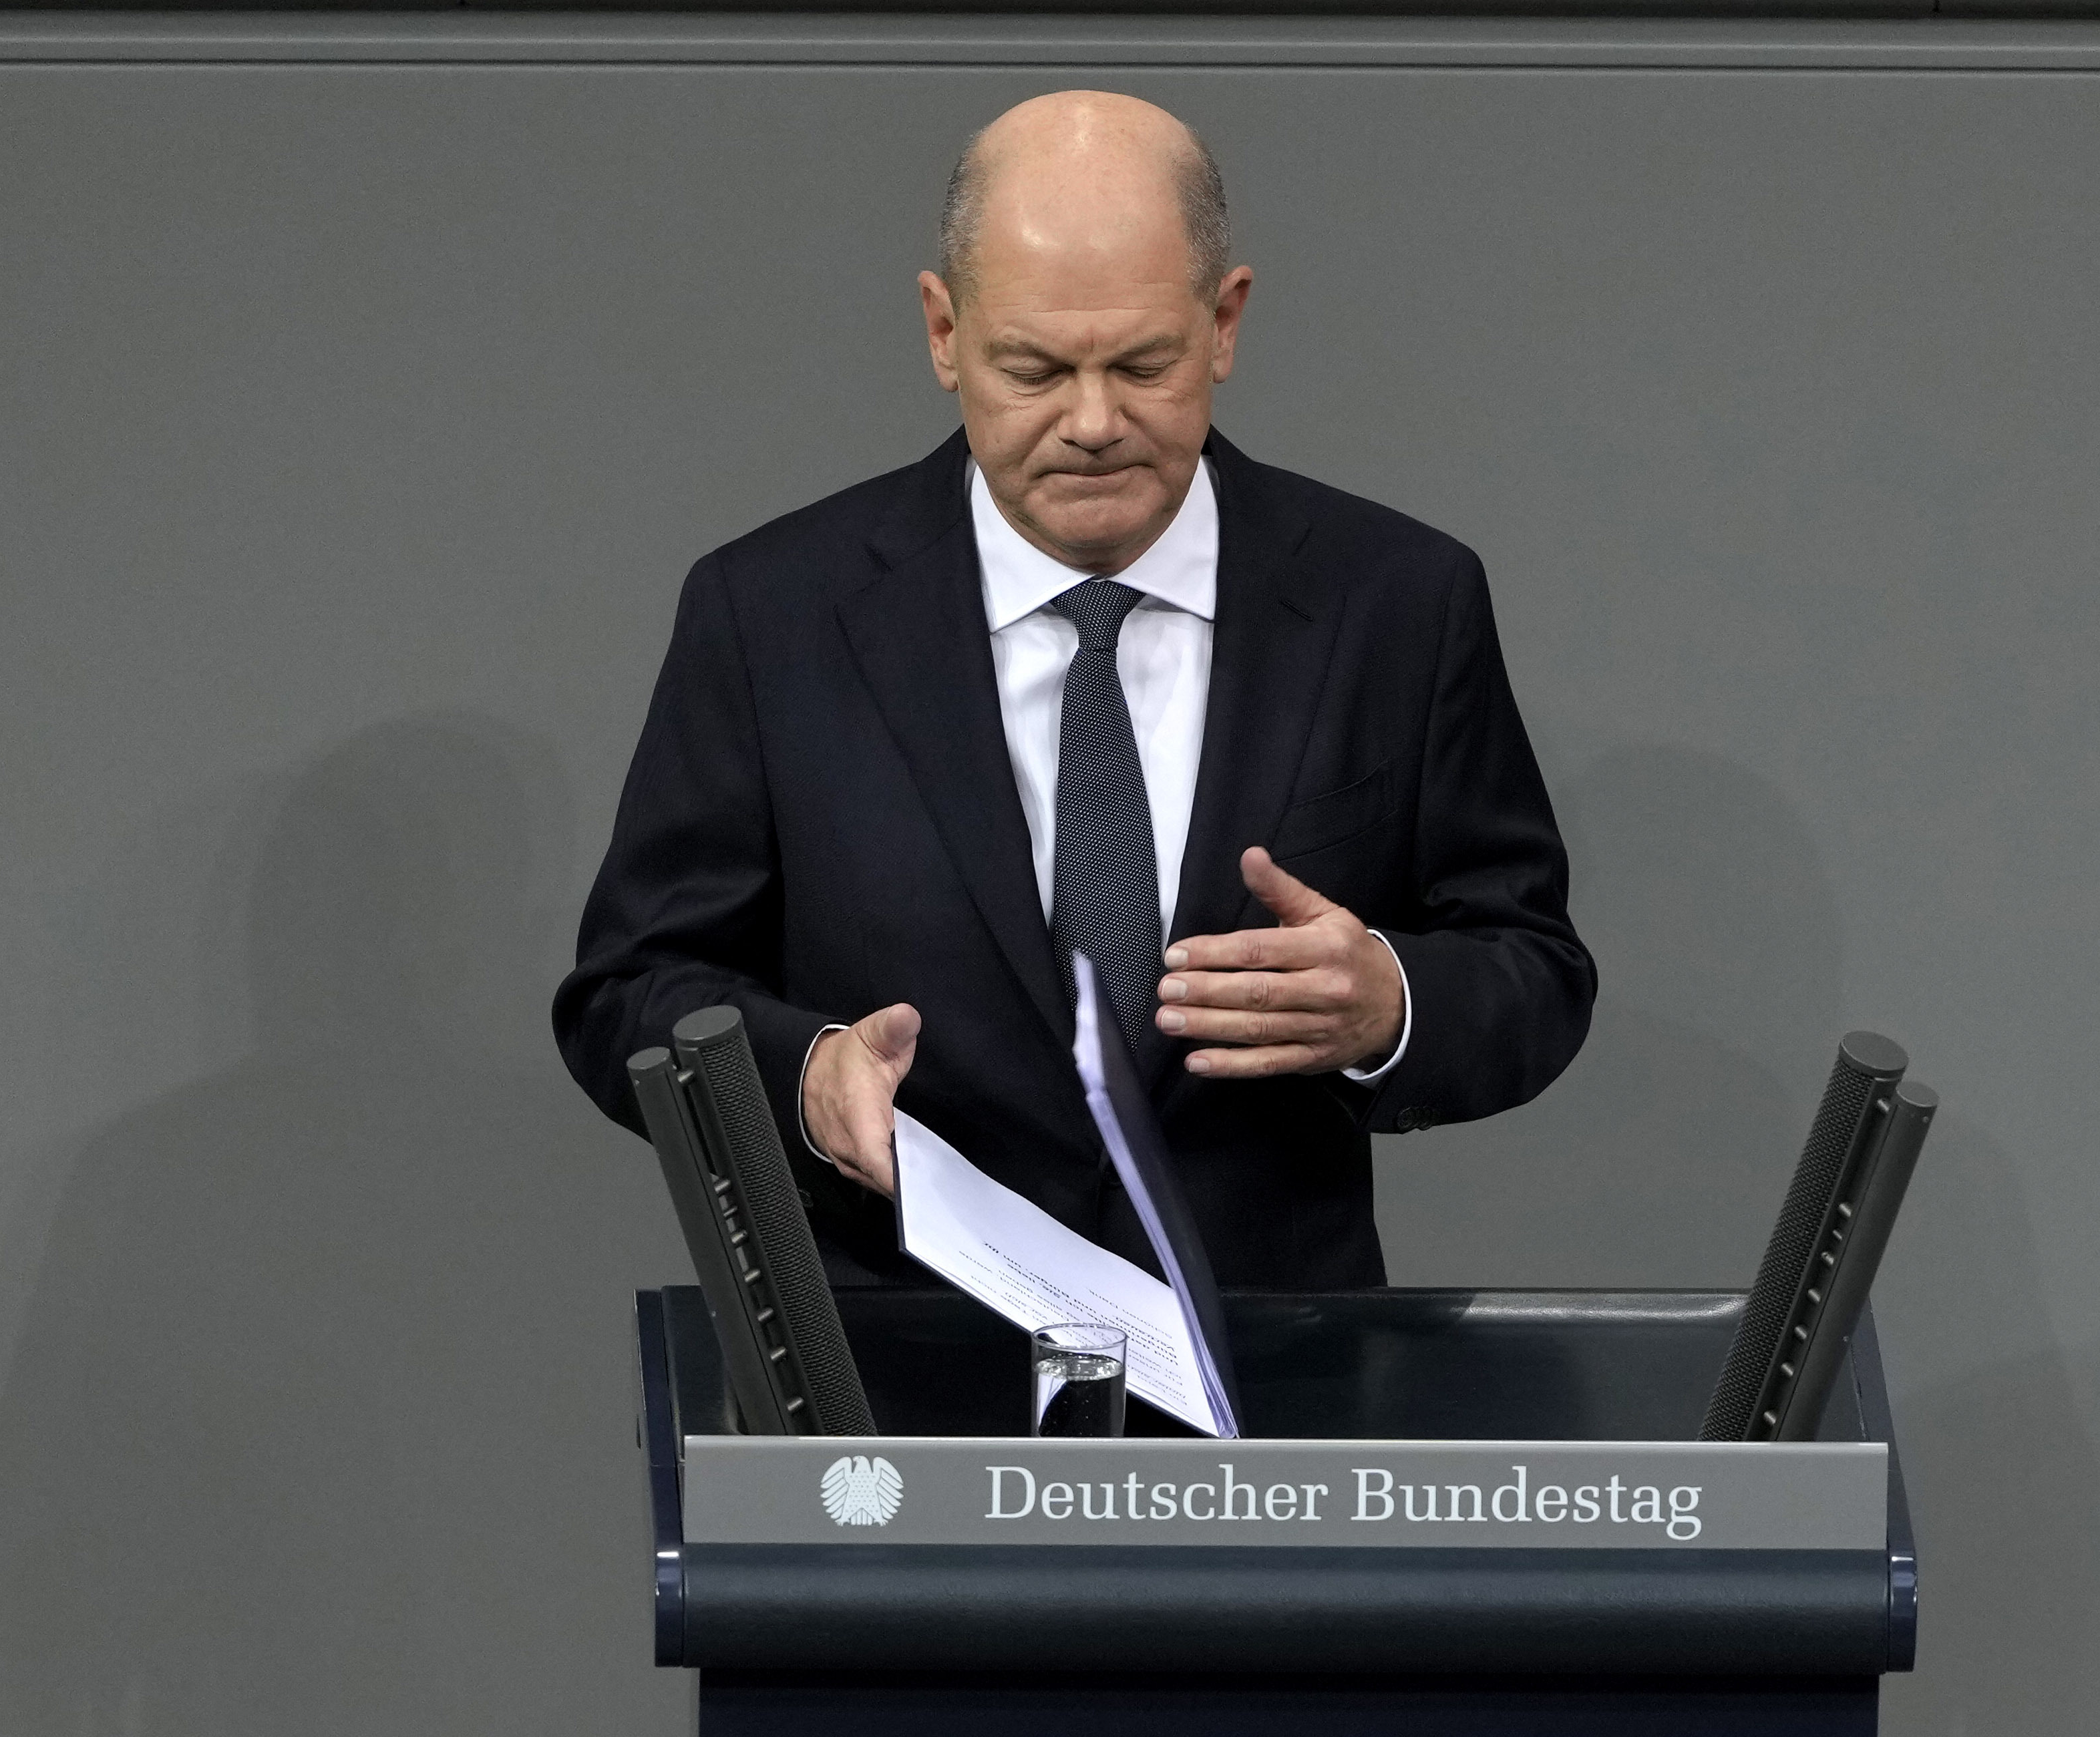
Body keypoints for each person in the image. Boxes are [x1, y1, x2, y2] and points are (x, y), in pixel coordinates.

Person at [554, 91, 1594, 1288]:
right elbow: (627, 993)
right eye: (1034, 369)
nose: (1092, 423)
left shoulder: (1397, 601)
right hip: (902, 1390)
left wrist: (1389, 1006)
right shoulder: (771, 613)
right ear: (944, 333)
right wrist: (802, 1074)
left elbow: (1530, 968)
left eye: (1142, 364)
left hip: (1270, 1386)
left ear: (1224, 323)